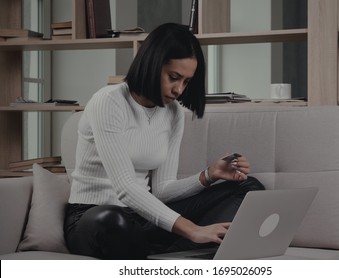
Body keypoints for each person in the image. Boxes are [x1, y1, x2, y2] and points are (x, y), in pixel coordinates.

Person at [64, 23, 265, 260]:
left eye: (186, 82)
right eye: (173, 77)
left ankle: (164, 251)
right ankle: (181, 247)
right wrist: (191, 229)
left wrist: (210, 175)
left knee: (248, 187)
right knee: (113, 220)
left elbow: (161, 190)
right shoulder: (108, 102)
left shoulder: (173, 113)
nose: (179, 89)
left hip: (141, 218)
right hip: (92, 218)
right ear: (152, 64)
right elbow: (126, 188)